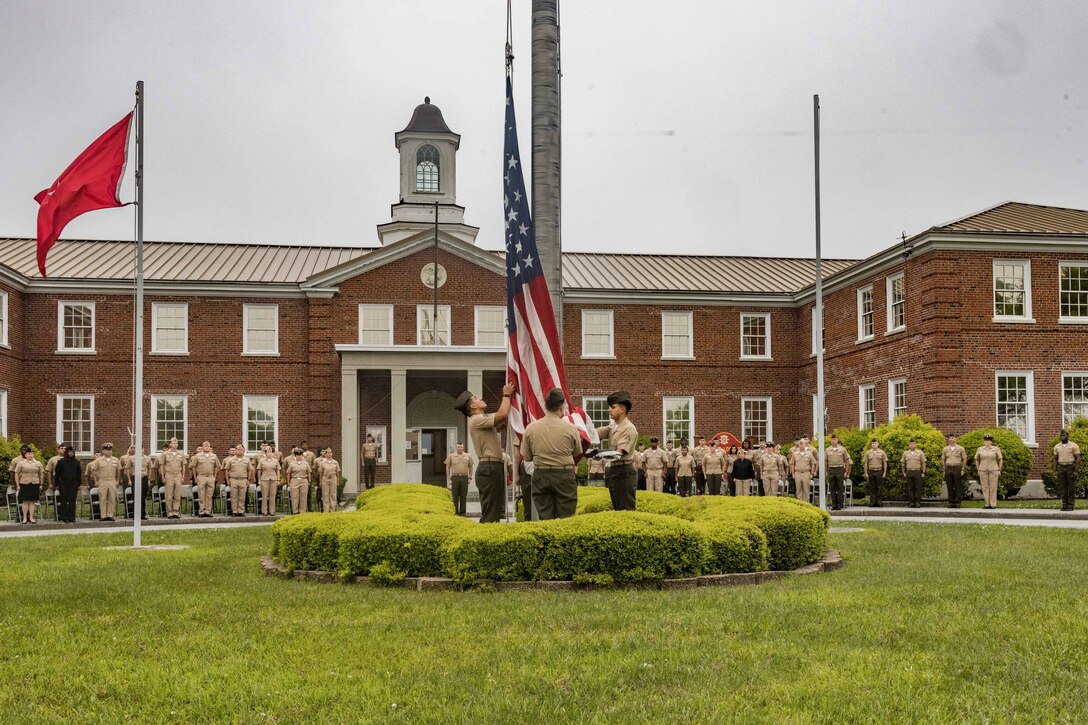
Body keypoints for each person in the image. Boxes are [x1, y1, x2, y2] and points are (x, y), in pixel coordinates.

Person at [455, 380, 517, 523]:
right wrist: (506, 395)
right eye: (476, 399)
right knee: (491, 512)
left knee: (496, 509)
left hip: (493, 467)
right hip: (489, 468)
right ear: (473, 406)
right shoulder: (476, 419)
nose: (480, 399)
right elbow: (501, 415)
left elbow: (501, 420)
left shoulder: (482, 418)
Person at [520, 388, 582, 520]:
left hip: (541, 474)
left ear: (546, 406)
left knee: (545, 517)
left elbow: (527, 457)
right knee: (566, 517)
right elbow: (577, 452)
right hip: (564, 474)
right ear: (561, 407)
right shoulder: (571, 428)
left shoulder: (531, 428)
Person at [594, 390, 638, 511]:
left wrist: (600, 453)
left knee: (625, 509)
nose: (610, 410)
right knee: (617, 508)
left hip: (624, 471)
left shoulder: (629, 428)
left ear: (622, 409)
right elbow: (597, 433)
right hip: (615, 470)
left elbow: (619, 453)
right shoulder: (614, 426)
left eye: (613, 407)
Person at [87, 443, 123, 521]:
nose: (109, 451)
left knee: (112, 498)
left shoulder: (116, 460)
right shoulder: (99, 460)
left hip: (112, 480)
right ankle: (103, 515)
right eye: (107, 450)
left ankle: (110, 515)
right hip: (102, 480)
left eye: (110, 450)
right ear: (103, 451)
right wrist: (96, 481)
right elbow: (94, 470)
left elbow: (119, 471)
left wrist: (117, 481)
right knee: (102, 498)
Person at [189, 441, 221, 518]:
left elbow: (217, 466)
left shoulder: (214, 456)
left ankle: (208, 511)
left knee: (209, 495)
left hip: (210, 477)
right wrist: (195, 477)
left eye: (208, 446)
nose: (206, 447)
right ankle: (201, 511)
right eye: (205, 446)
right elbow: (193, 466)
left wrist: (214, 476)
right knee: (201, 495)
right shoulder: (197, 456)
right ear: (202, 447)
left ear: (210, 447)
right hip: (201, 476)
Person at [1052, 429, 1081, 512]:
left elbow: (1078, 458)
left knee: (1071, 487)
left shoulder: (1073, 446)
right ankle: (1064, 504)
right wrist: (1054, 470)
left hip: (1070, 467)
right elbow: (1055, 459)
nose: (1062, 437)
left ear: (1067, 436)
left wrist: (1076, 470)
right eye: (1061, 435)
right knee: (1062, 487)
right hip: (1061, 467)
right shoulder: (1057, 446)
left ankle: (1071, 504)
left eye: (1064, 435)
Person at [159, 437, 187, 519]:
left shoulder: (181, 454)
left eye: (176, 443)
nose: (175, 444)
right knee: (169, 495)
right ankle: (169, 512)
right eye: (173, 443)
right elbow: (161, 465)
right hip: (169, 474)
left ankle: (176, 512)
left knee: (177, 494)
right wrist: (163, 476)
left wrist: (183, 476)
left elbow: (184, 465)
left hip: (178, 474)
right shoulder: (165, 454)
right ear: (170, 444)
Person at [14, 447, 43, 524]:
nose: (30, 455)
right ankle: (24, 518)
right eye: (28, 454)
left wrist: (41, 484)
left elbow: (41, 474)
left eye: (31, 453)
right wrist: (17, 485)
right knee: (25, 501)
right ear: (25, 455)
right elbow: (16, 474)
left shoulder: (38, 463)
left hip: (35, 484)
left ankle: (31, 517)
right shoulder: (21, 463)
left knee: (32, 501)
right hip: (24, 484)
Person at [974, 434, 1003, 509]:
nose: (987, 442)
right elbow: (976, 459)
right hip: (983, 470)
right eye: (985, 441)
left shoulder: (996, 449)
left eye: (988, 441)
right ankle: (987, 503)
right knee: (985, 487)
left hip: (993, 469)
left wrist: (999, 469)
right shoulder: (980, 449)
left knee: (993, 487)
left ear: (991, 442)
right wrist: (978, 468)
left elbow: (1000, 459)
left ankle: (993, 504)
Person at [444, 442, 473, 516]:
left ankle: (463, 513)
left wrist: (470, 477)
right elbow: (447, 467)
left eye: (461, 447)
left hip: (464, 477)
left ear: (463, 447)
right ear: (456, 447)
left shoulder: (468, 456)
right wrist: (449, 479)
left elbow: (471, 467)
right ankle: (455, 512)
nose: (459, 448)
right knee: (455, 496)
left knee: (463, 496)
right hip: (455, 477)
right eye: (458, 447)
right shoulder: (451, 456)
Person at [222, 445, 252, 516]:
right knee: (234, 496)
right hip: (233, 479)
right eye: (238, 450)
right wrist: (228, 480)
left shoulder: (247, 460)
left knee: (242, 496)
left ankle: (241, 511)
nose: (240, 451)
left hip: (243, 480)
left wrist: (248, 480)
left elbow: (250, 470)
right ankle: (234, 511)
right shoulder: (231, 460)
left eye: (241, 450)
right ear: (236, 451)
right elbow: (226, 470)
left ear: (244, 451)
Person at [54, 446, 81, 522]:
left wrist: (79, 484)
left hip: (73, 483)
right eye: (69, 452)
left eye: (72, 452)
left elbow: (79, 474)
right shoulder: (61, 462)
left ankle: (72, 517)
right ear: (66, 453)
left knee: (72, 500)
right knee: (64, 500)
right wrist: (57, 484)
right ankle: (64, 516)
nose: (71, 454)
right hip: (63, 483)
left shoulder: (76, 462)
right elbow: (57, 474)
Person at [825, 435, 852, 510]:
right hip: (831, 468)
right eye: (832, 439)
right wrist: (826, 471)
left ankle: (840, 504)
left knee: (840, 488)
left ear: (837, 440)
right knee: (832, 488)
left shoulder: (842, 449)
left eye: (834, 439)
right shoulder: (827, 450)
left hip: (840, 468)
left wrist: (846, 471)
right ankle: (834, 505)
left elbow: (846, 460)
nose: (833, 441)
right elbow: (826, 461)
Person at [941, 434, 967, 508]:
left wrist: (962, 469)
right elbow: (943, 459)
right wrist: (944, 469)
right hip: (948, 467)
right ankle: (951, 502)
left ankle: (957, 502)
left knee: (957, 485)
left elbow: (964, 458)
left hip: (957, 467)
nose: (951, 440)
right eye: (949, 438)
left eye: (952, 438)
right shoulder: (945, 449)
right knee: (949, 486)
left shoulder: (961, 448)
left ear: (955, 439)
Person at [255, 444, 282, 516]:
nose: (269, 453)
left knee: (272, 495)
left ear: (273, 453)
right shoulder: (262, 460)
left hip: (273, 479)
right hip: (264, 479)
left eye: (271, 452)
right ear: (265, 453)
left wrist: (278, 480)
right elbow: (259, 470)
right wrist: (259, 480)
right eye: (268, 452)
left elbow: (278, 470)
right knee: (265, 496)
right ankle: (264, 511)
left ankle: (272, 511)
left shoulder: (276, 461)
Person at [314, 447, 341, 513]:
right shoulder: (322, 463)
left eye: (330, 453)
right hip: (325, 479)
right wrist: (320, 482)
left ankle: (332, 510)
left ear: (332, 454)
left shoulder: (335, 462)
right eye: (327, 453)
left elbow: (337, 473)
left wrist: (338, 481)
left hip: (333, 479)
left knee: (333, 495)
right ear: (326, 454)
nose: (329, 454)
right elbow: (321, 473)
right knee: (325, 495)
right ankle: (326, 511)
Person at [901, 438, 927, 508]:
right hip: (909, 471)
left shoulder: (920, 452)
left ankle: (917, 503)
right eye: (910, 444)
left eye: (913, 443)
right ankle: (911, 502)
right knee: (910, 488)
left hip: (917, 471)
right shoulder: (905, 453)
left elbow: (923, 463)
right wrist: (904, 472)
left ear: (916, 444)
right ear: (908, 445)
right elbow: (903, 463)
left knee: (917, 488)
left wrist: (923, 472)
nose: (911, 445)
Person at [285, 448, 312, 514]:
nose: (299, 456)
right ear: (295, 456)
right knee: (294, 496)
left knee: (303, 497)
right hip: (294, 480)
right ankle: (295, 511)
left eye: (300, 455)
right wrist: (288, 482)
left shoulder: (306, 463)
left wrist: (309, 481)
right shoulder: (292, 464)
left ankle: (302, 511)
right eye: (297, 455)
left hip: (303, 480)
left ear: (302, 456)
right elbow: (288, 473)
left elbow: (309, 472)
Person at [863, 438, 889, 508]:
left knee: (879, 487)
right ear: (871, 444)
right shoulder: (868, 453)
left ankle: (879, 503)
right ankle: (873, 503)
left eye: (875, 443)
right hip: (871, 471)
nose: (874, 445)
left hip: (879, 471)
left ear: (878, 444)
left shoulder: (882, 452)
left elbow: (885, 463)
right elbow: (866, 463)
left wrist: (884, 473)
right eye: (873, 443)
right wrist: (866, 473)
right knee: (872, 488)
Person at [790, 438, 817, 503]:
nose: (801, 446)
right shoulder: (795, 454)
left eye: (802, 444)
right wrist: (793, 474)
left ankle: (806, 503)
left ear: (805, 445)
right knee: (798, 490)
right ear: (798, 445)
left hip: (806, 473)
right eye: (800, 444)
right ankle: (800, 504)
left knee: (806, 489)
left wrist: (812, 473)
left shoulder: (809, 453)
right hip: (798, 473)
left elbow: (813, 464)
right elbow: (792, 464)